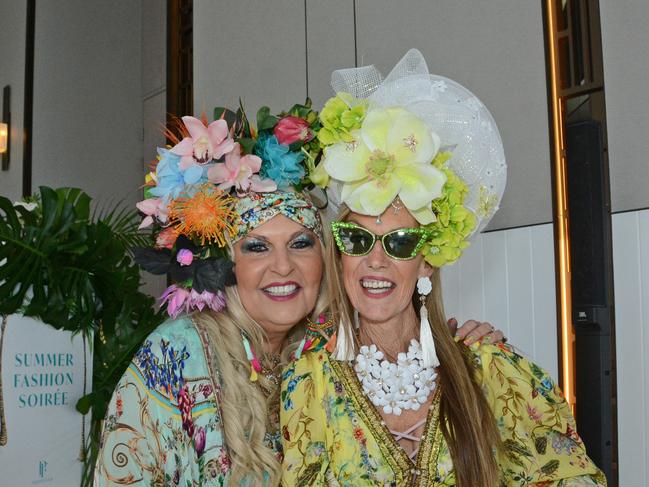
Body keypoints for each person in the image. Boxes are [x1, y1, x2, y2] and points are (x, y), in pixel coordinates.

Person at [93, 101, 502, 486]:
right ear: (226, 264)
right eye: (256, 247)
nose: (283, 266)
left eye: (301, 243)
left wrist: (459, 353)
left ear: (327, 256)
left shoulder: (331, 350)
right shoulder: (180, 353)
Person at [280, 50, 607, 486]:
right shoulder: (309, 383)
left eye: (400, 242)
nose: (376, 260)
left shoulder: (491, 369)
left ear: (426, 264)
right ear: (340, 256)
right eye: (357, 239)